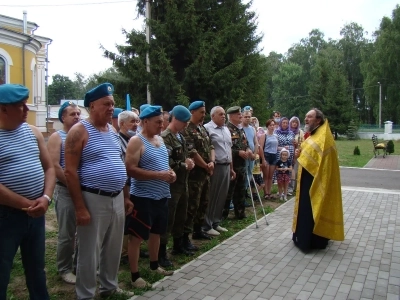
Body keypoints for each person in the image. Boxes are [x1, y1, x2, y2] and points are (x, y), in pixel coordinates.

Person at [64, 83, 134, 299]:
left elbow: (118, 163)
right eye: (106, 104)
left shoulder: (112, 130)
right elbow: (70, 172)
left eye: (112, 104)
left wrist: (125, 196)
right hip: (93, 198)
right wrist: (80, 208)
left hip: (116, 199)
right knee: (89, 251)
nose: (111, 108)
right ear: (92, 106)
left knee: (113, 247)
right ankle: (85, 294)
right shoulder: (79, 131)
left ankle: (109, 287)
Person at [0, 84, 55, 300]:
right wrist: (26, 203)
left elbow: (49, 167)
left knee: (36, 269)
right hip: (6, 217)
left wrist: (46, 198)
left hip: (36, 214)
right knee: (2, 270)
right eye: (21, 106)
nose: (26, 110)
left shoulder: (32, 132)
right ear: (3, 109)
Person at [125, 105, 175, 289]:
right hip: (143, 197)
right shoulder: (136, 141)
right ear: (145, 121)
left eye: (163, 122)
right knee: (136, 237)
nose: (162, 125)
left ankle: (154, 266)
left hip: (162, 195)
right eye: (158, 122)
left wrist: (171, 173)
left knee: (156, 233)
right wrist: (159, 175)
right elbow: (130, 169)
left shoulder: (160, 140)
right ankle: (135, 276)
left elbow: (164, 166)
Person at [292, 108, 344, 252]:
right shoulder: (314, 134)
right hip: (307, 179)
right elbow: (308, 154)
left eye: (309, 117)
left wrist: (302, 154)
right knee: (305, 208)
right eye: (306, 116)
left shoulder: (323, 137)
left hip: (315, 181)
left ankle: (310, 241)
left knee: (310, 209)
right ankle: (302, 236)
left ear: (318, 120)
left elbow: (320, 161)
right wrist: (300, 153)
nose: (306, 119)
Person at [47, 101, 81, 284]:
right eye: (72, 114)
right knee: (67, 233)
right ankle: (64, 268)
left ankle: (79, 265)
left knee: (82, 232)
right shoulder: (57, 137)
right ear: (63, 117)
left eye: (78, 113)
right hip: (66, 190)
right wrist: (72, 185)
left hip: (83, 190)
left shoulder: (82, 135)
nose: (77, 116)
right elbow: (54, 165)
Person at [158, 105, 194, 267]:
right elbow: (167, 162)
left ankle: (178, 245)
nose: (186, 125)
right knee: (168, 218)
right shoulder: (166, 137)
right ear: (176, 120)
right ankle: (161, 252)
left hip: (182, 182)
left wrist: (188, 163)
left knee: (181, 215)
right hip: (171, 185)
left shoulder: (179, 136)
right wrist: (184, 165)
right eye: (184, 122)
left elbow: (185, 156)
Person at [182, 101, 216, 238]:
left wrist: (212, 162)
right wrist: (206, 166)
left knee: (203, 202)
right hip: (195, 175)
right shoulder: (187, 129)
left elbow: (211, 146)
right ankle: (186, 236)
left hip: (206, 173)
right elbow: (192, 152)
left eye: (204, 112)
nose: (204, 115)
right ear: (192, 112)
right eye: (201, 112)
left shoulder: (202, 128)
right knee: (192, 206)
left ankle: (198, 230)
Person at [203, 106, 235, 234]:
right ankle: (206, 224)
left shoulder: (226, 129)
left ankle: (216, 222)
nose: (223, 116)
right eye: (220, 114)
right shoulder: (207, 128)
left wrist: (232, 168)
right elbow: (207, 149)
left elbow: (229, 149)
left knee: (222, 195)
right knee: (212, 194)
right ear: (212, 116)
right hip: (216, 166)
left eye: (224, 114)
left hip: (227, 166)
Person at [117, 110, 140, 265]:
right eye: (132, 121)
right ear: (121, 124)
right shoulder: (118, 141)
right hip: (124, 187)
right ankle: (123, 252)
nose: (135, 124)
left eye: (137, 121)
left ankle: (132, 247)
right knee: (125, 219)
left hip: (136, 186)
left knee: (133, 219)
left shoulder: (136, 140)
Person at [222, 106, 251, 220]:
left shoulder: (240, 129)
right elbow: (226, 148)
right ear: (232, 116)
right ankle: (223, 215)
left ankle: (240, 213)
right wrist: (238, 152)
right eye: (238, 114)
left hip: (242, 166)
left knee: (241, 190)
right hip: (232, 165)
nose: (241, 116)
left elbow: (246, 143)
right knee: (229, 191)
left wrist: (248, 149)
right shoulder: (227, 129)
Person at [275, 117, 295, 196]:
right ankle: (280, 190)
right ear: (280, 123)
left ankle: (287, 189)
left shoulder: (291, 133)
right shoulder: (276, 133)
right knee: (280, 172)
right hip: (280, 154)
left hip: (290, 154)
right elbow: (275, 145)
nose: (285, 124)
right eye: (283, 123)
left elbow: (293, 143)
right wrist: (282, 148)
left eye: (286, 123)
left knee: (288, 171)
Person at [259, 119, 278, 199]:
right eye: (270, 125)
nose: (272, 127)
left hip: (274, 155)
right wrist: (263, 159)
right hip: (266, 155)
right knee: (266, 175)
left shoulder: (276, 136)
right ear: (267, 126)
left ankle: (269, 192)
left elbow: (277, 147)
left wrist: (284, 148)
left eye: (273, 125)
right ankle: (265, 193)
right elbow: (260, 148)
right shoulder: (264, 135)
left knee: (270, 176)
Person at [289, 116, 305, 191]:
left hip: (297, 153)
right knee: (289, 169)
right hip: (288, 152)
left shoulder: (300, 132)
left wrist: (298, 143)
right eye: (293, 122)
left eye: (296, 122)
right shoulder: (288, 130)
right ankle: (288, 186)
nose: (294, 124)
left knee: (295, 170)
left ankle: (295, 187)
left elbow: (304, 142)